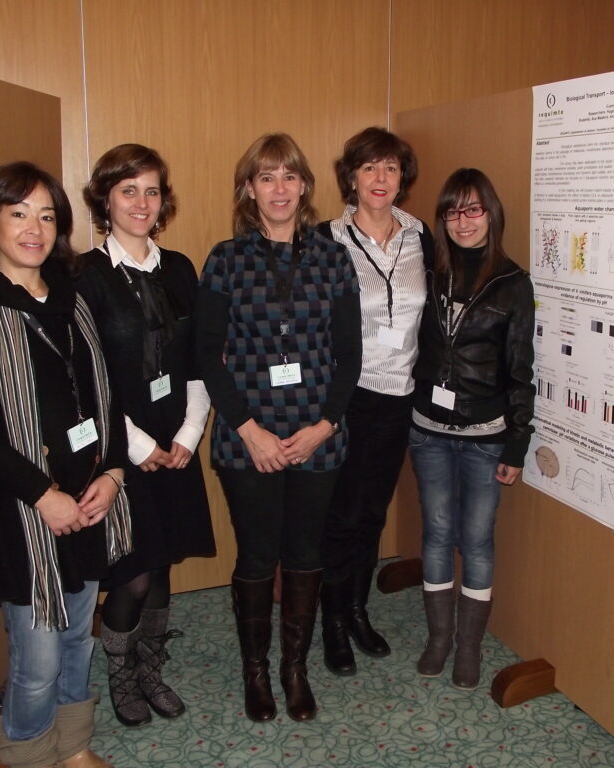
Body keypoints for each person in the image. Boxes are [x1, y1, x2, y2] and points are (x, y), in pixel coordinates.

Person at [0, 162, 132, 768]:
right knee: (38, 656)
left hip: (88, 495)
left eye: (47, 215)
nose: (34, 228)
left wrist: (113, 474)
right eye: (18, 213)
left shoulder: (72, 298)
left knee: (77, 638)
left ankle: (71, 748)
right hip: (22, 508)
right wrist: (45, 496)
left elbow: (107, 395)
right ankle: (29, 757)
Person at [195, 133, 362, 722]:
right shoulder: (225, 259)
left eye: (289, 176)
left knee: (306, 553)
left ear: (305, 187)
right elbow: (207, 354)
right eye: (266, 177)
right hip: (250, 441)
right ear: (249, 189)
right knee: (258, 555)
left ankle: (295, 668)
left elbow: (350, 354)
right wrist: (249, 429)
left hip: (317, 435)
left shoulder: (332, 257)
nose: (279, 188)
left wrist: (324, 425)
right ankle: (256, 671)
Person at [77, 144, 215, 727]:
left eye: (152, 191)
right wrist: (136, 446)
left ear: (165, 202)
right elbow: (85, 377)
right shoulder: (83, 276)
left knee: (161, 566)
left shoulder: (181, 268)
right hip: (118, 448)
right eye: (128, 190)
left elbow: (201, 360)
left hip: (176, 440)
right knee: (131, 573)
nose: (141, 202)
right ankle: (121, 673)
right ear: (105, 199)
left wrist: (188, 432)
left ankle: (151, 669)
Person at [409, 168, 535, 690]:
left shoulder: (512, 283)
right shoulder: (428, 272)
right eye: (452, 211)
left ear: (491, 214)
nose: (462, 221)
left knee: (477, 541)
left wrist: (518, 442)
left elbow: (520, 368)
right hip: (428, 429)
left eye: (473, 209)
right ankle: (439, 637)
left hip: (486, 435)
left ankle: (469, 645)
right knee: (437, 534)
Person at [317, 127, 432, 675]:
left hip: (399, 396)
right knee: (340, 515)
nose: (380, 178)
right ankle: (333, 621)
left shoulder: (420, 236)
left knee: (371, 513)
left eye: (390, 167)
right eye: (369, 168)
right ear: (352, 178)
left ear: (401, 177)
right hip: (345, 396)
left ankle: (357, 610)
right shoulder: (325, 238)